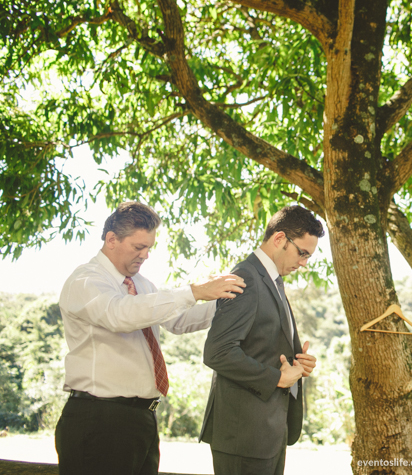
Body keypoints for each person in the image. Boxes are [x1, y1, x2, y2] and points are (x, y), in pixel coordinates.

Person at [55, 201, 246, 475]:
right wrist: (193, 292)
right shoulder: (85, 281)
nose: (145, 255)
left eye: (149, 248)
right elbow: (120, 315)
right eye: (138, 247)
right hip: (99, 420)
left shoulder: (142, 285)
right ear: (111, 239)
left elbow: (178, 322)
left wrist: (226, 300)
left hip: (141, 419)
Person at [200, 204, 325, 475]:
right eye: (302, 253)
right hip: (244, 439)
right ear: (279, 238)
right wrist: (277, 378)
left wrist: (297, 364)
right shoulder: (247, 277)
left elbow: (261, 347)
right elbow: (217, 352)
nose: (304, 263)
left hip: (267, 433)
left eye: (308, 256)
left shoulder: (271, 280)